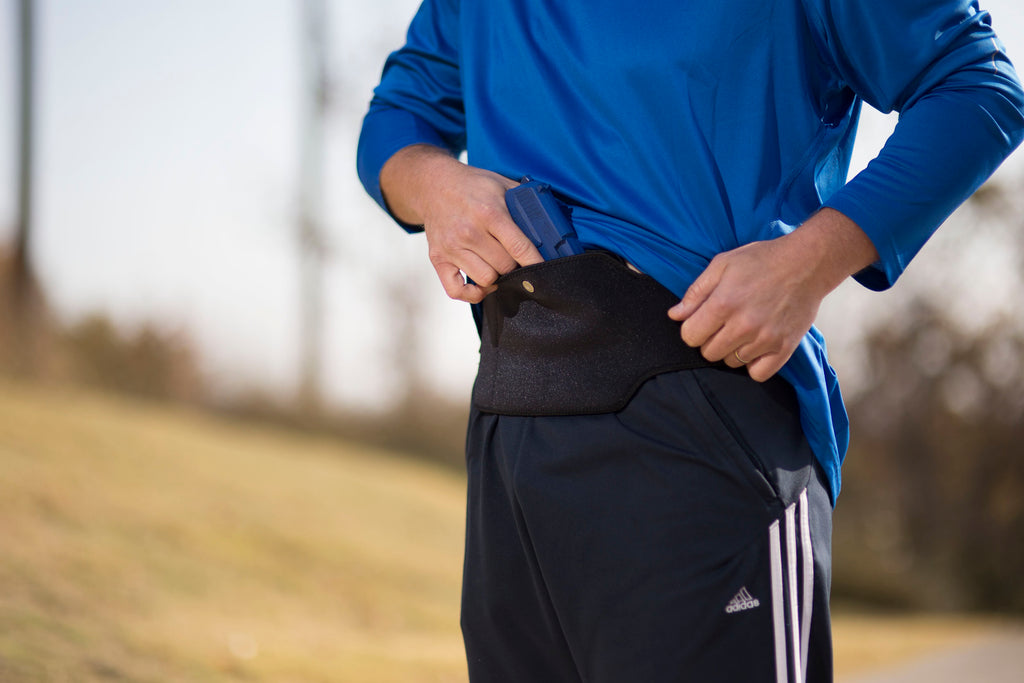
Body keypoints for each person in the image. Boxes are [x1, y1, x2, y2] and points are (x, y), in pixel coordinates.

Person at [357, 1, 1024, 681]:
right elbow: (397, 118)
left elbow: (977, 85)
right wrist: (437, 186)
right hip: (512, 423)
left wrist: (811, 259)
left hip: (702, 416)